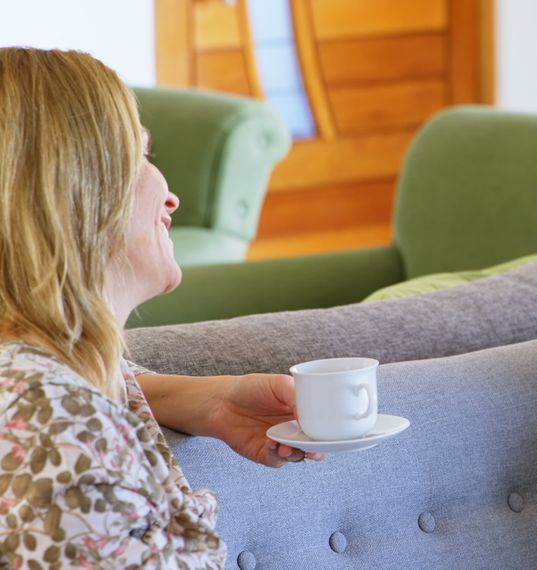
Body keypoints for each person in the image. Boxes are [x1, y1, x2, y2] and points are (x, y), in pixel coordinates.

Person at [0, 48, 322, 568]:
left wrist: (208, 401)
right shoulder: (58, 420)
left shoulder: (44, 387)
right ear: (79, 187)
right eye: (142, 157)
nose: (170, 198)